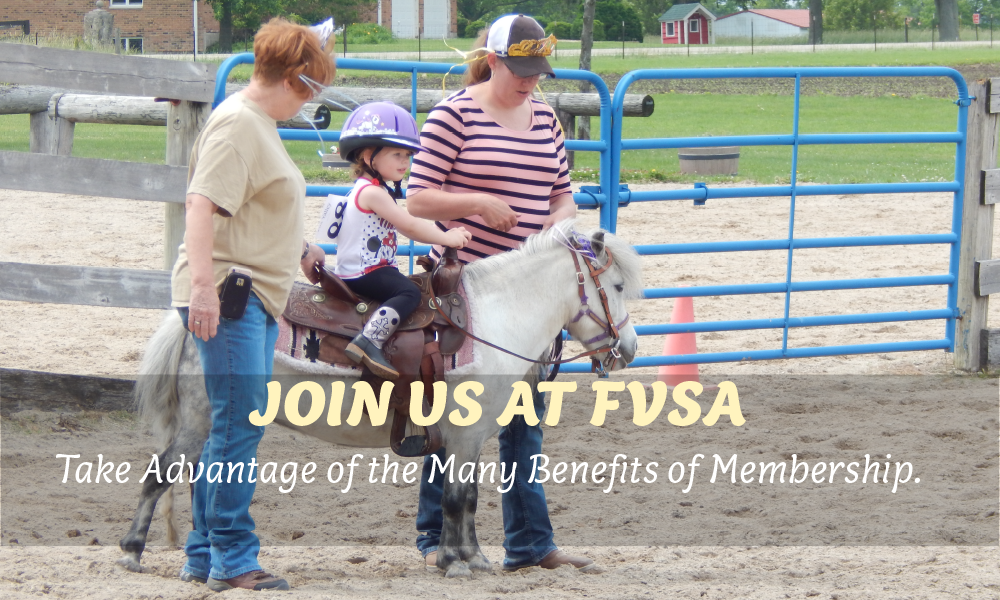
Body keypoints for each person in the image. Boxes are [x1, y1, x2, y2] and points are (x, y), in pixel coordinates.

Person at [405, 14, 590, 572]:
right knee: (453, 417)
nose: (532, 81)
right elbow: (417, 199)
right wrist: (477, 204)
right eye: (521, 70)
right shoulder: (454, 114)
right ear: (493, 60)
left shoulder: (546, 118)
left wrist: (555, 227)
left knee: (524, 421)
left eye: (538, 72)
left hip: (527, 296)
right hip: (466, 288)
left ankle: (530, 541)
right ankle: (438, 538)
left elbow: (562, 194)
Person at [170, 18, 334, 592]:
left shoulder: (254, 123)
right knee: (239, 429)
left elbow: (253, 206)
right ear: (292, 77)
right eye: (312, 87)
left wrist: (302, 248)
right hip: (233, 296)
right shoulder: (240, 124)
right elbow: (201, 206)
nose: (312, 99)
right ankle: (234, 557)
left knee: (229, 428)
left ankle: (202, 552)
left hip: (250, 292)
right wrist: (201, 288)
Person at [331, 101, 472, 379]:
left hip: (362, 268)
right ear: (369, 154)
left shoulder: (365, 190)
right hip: (366, 271)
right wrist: (447, 237)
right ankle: (369, 340)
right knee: (408, 293)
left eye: (407, 155)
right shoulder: (373, 193)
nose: (405, 163)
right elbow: (409, 225)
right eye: (397, 154)